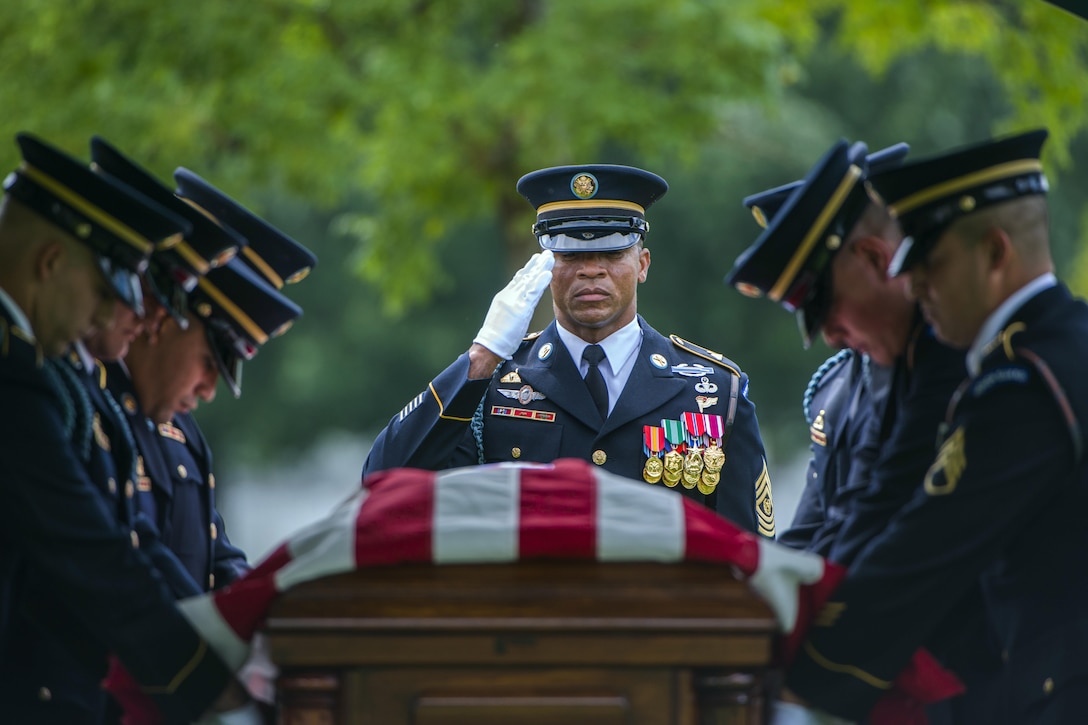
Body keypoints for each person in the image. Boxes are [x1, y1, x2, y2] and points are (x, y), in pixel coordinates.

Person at [783, 128, 1088, 723]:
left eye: (932, 262)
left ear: (995, 254)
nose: (917, 286)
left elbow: (924, 549)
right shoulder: (1050, 350)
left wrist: (800, 686)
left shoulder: (1023, 383)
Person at [364, 164, 775, 537]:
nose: (591, 269)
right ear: (545, 267)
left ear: (644, 264)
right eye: (571, 254)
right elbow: (383, 481)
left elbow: (752, 551)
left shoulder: (713, 391)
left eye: (613, 253)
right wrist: (482, 356)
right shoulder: (495, 382)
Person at [0, 132, 247, 722]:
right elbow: (85, 551)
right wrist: (211, 686)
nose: (115, 316)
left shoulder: (44, 377)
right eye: (106, 291)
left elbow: (127, 542)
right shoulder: (18, 380)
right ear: (50, 263)